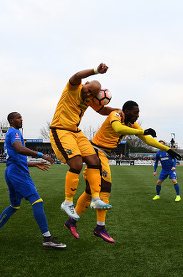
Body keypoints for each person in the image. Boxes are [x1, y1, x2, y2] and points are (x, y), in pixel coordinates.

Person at [64, 100, 182, 243]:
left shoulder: (132, 124)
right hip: (96, 152)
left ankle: (72, 222)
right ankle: (100, 228)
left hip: (100, 153)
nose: (138, 115)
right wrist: (141, 131)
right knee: (105, 189)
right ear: (126, 111)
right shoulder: (115, 115)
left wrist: (167, 149)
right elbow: (118, 129)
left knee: (89, 192)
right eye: (136, 112)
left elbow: (147, 139)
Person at [50, 63, 123, 220]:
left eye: (92, 94)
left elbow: (102, 110)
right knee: (76, 164)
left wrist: (117, 110)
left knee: (94, 161)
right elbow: (77, 75)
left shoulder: (89, 99)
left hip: (76, 132)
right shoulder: (73, 88)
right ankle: (68, 202)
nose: (88, 94)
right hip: (61, 129)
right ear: (86, 83)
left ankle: (96, 199)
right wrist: (96, 71)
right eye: (88, 89)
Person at [0, 112, 66, 249]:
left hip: (11, 171)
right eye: (18, 117)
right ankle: (47, 239)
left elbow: (16, 157)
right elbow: (19, 149)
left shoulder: (11, 133)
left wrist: (35, 164)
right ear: (12, 120)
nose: (21, 119)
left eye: (21, 117)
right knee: (37, 201)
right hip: (18, 173)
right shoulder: (14, 133)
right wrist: (42, 155)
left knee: (14, 206)